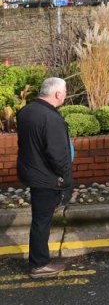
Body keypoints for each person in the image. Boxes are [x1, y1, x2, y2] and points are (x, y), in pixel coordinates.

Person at [16, 78, 72, 278]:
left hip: (32, 173)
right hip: (47, 178)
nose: (65, 94)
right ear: (57, 94)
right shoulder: (51, 118)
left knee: (40, 219)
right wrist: (64, 177)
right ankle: (39, 264)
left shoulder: (27, 111)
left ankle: (39, 261)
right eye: (65, 91)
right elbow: (57, 154)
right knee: (41, 221)